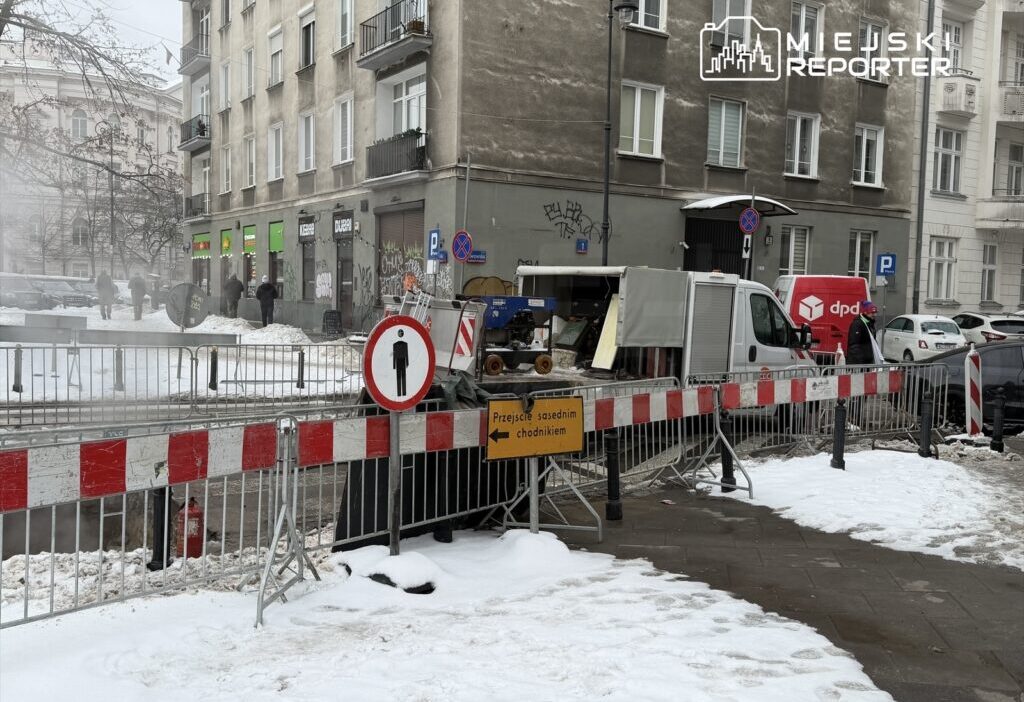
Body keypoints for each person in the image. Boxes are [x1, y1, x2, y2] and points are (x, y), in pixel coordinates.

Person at [846, 300, 879, 365]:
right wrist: (860, 362)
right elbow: (854, 345)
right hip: (859, 363)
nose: (874, 315)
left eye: (875, 312)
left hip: (867, 362)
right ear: (865, 312)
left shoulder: (870, 323)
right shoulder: (857, 324)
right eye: (872, 313)